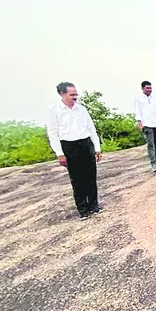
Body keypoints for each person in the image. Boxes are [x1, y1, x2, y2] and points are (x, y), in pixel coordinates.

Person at [46, 82, 103, 220]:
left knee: (91, 177)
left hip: (85, 143)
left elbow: (91, 129)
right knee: (77, 179)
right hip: (69, 146)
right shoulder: (54, 110)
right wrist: (59, 153)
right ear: (62, 94)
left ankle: (94, 205)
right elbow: (53, 134)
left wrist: (97, 148)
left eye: (76, 94)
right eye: (72, 94)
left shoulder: (81, 109)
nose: (75, 97)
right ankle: (83, 209)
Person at [134, 81, 156, 172]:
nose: (150, 90)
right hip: (147, 124)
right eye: (147, 88)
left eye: (150, 88)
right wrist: (139, 123)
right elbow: (138, 111)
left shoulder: (155, 99)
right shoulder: (138, 99)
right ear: (142, 88)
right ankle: (153, 164)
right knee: (150, 144)